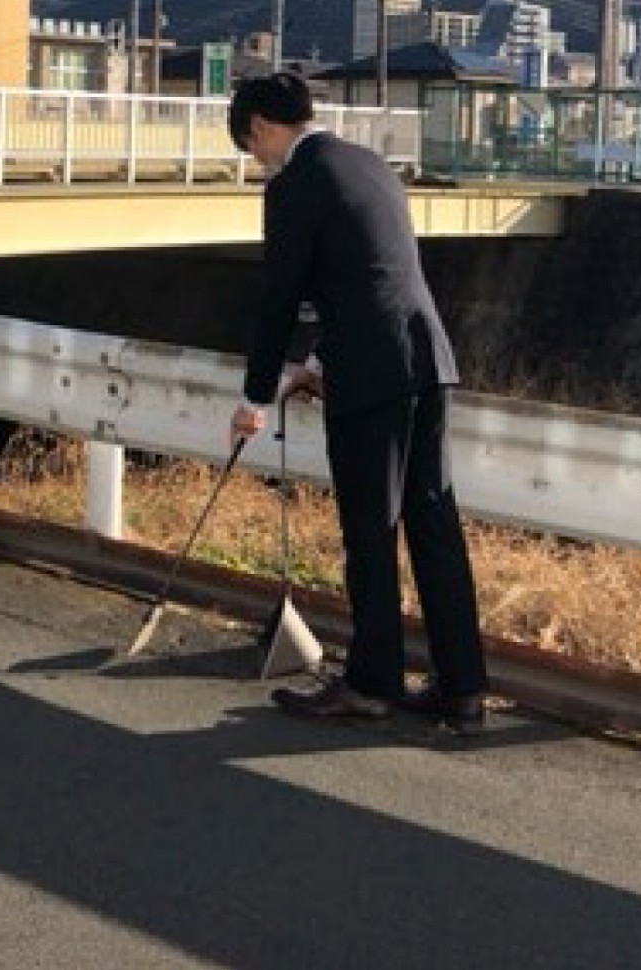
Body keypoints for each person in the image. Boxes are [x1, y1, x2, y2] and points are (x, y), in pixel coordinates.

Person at [226, 74, 488, 733]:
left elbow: (281, 297)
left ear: (260, 127)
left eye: (251, 148)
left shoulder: (294, 184)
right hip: (427, 360)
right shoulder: (369, 164)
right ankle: (462, 690)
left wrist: (255, 397)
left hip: (372, 376)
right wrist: (317, 364)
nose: (258, 161)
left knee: (370, 531)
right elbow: (371, 275)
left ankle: (372, 683)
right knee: (434, 524)